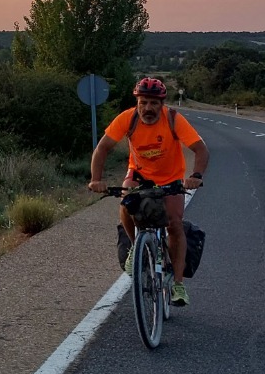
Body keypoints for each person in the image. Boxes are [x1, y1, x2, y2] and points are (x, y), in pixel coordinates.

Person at [86, 77, 209, 307]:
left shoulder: (173, 119)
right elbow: (102, 148)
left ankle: (178, 285)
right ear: (137, 102)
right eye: (143, 102)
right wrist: (96, 180)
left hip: (171, 178)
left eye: (154, 103)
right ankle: (135, 247)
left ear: (162, 104)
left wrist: (196, 176)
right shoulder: (128, 119)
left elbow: (200, 148)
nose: (148, 108)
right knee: (126, 202)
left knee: (174, 224)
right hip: (139, 175)